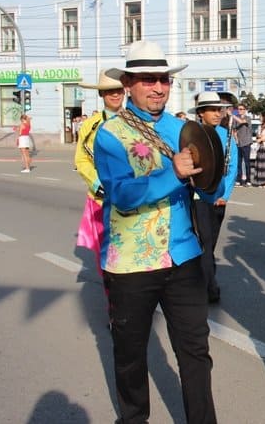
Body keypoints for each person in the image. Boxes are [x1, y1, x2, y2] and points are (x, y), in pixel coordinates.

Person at [93, 40, 217, 424]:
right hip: (132, 262)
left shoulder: (183, 129)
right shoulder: (110, 134)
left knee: (195, 351)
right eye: (148, 80)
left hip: (183, 256)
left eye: (163, 79)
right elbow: (122, 194)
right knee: (130, 353)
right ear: (128, 84)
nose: (159, 88)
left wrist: (211, 178)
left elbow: (207, 183)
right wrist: (174, 173)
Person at [74, 69, 126, 273]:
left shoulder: (136, 121)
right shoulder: (90, 125)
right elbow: (81, 159)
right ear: (101, 94)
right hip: (100, 199)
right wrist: (97, 183)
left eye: (119, 90)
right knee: (107, 256)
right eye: (109, 91)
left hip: (131, 196)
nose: (115, 94)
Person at [190, 91, 239, 304]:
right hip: (198, 197)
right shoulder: (191, 134)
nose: (218, 114)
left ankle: (206, 277)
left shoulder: (227, 136)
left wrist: (225, 195)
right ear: (201, 113)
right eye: (212, 110)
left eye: (219, 110)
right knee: (205, 242)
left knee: (210, 245)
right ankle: (209, 286)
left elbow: (232, 167)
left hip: (218, 200)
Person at [232, 104, 253, 186]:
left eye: (241, 109)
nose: (239, 110)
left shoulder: (248, 118)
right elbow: (234, 130)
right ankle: (239, 179)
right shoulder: (235, 118)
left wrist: (232, 115)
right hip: (238, 143)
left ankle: (248, 180)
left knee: (247, 162)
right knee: (238, 162)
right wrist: (236, 139)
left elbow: (242, 122)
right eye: (238, 109)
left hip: (246, 143)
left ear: (245, 110)